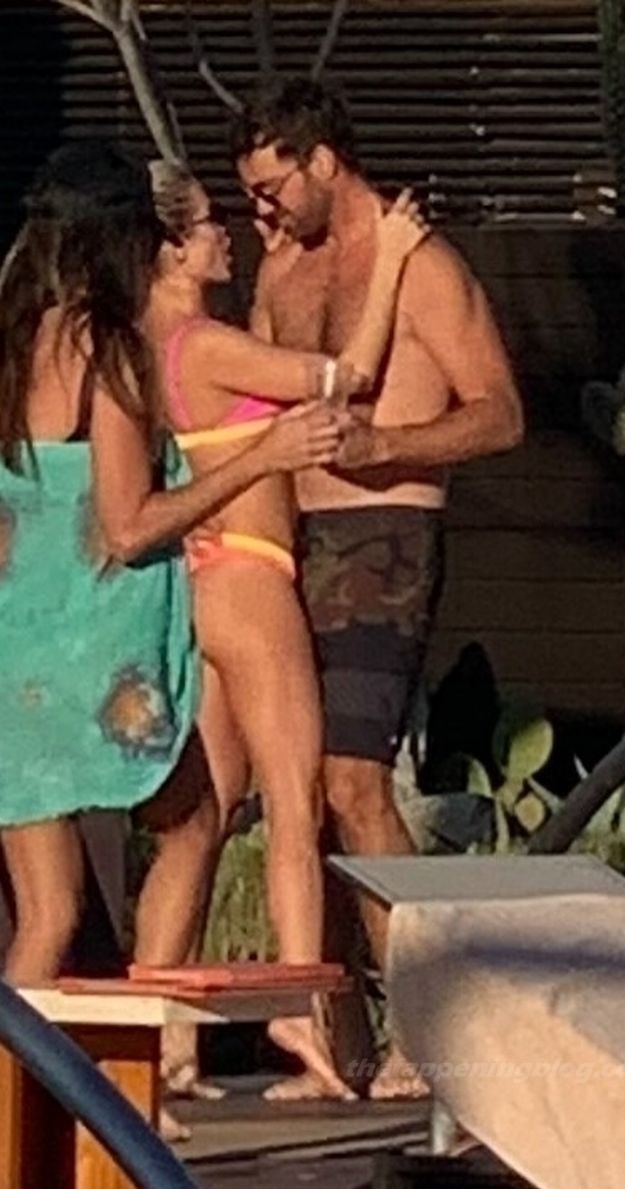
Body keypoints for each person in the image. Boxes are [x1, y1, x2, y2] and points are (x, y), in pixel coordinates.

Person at [0, 144, 345, 1095]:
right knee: (193, 821)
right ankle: (135, 1087)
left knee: (46, 915)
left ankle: (1, 1104)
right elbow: (129, 525)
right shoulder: (106, 352)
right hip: (94, 654)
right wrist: (262, 454)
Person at [231, 78, 525, 1098]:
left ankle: (430, 1034)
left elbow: (500, 412)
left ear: (323, 161)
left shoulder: (423, 266)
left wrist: (387, 444)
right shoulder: (280, 270)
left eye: (273, 187)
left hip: (385, 533)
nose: (262, 210)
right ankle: (334, 1039)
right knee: (295, 790)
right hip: (287, 539)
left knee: (357, 783)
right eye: (249, 194)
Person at [136, 161, 428, 1102]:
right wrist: (392, 260)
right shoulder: (203, 344)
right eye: (207, 226)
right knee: (295, 803)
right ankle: (302, 1017)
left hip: (200, 581)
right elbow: (349, 378)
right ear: (171, 249)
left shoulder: (148, 345)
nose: (226, 232)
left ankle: (161, 1037)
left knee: (202, 817)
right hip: (254, 580)